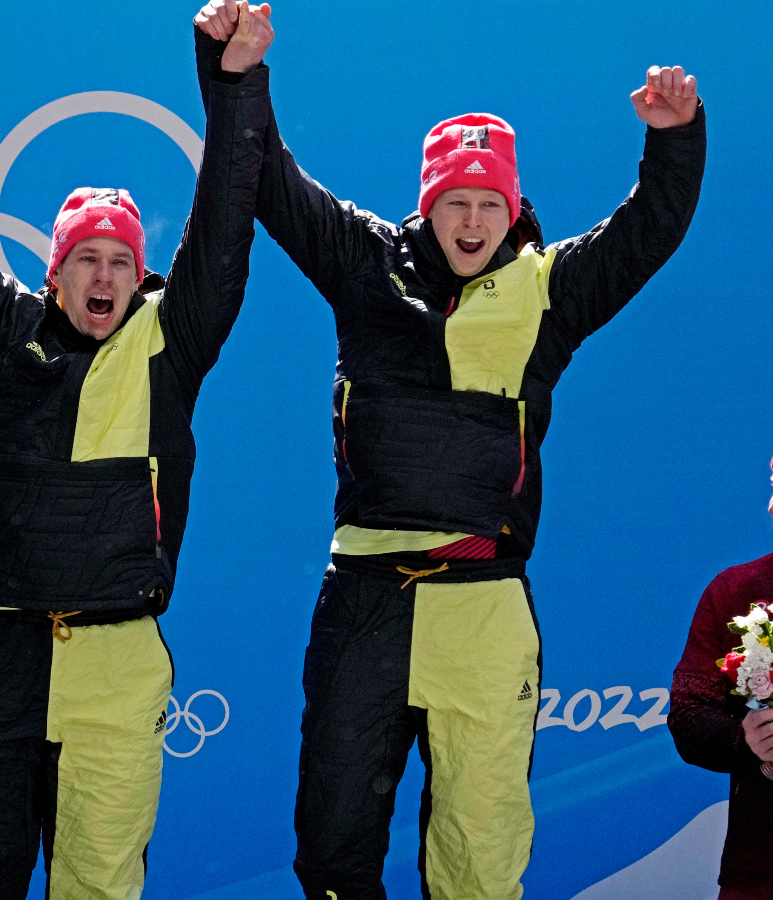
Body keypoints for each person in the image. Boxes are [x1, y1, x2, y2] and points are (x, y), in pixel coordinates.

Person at [202, 3, 707, 893]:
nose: (471, 221)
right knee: (333, 845)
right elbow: (270, 182)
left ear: (511, 210)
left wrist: (675, 140)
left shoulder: (547, 291)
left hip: (484, 604)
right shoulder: (366, 266)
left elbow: (645, 236)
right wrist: (236, 73)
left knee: (480, 849)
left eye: (489, 203)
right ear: (428, 206)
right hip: (365, 599)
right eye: (455, 203)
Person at [0, 5, 272, 897]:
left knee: (100, 884)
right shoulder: (0, 330)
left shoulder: (168, 343)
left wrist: (233, 81)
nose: (104, 277)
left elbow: (225, 222)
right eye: (86, 260)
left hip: (116, 660)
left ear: (140, 274)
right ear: (54, 272)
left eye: (119, 261)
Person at [669, 460, 773, 900]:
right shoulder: (735, 590)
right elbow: (689, 712)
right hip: (760, 867)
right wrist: (743, 738)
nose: (770, 505)